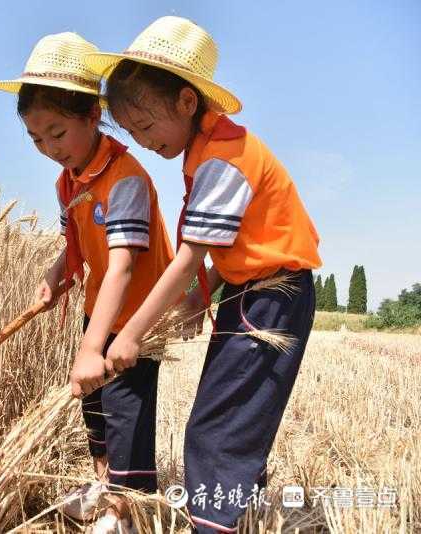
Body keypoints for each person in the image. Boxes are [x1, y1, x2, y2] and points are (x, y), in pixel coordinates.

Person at [82, 16, 322, 532]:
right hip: (248, 292)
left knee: (217, 430)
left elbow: (190, 256)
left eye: (146, 126)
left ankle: (215, 523)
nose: (142, 141)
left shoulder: (222, 158)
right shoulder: (208, 150)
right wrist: (203, 295)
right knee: (230, 419)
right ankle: (235, 517)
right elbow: (228, 247)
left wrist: (132, 334)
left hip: (271, 299)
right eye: (131, 132)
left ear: (187, 103)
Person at [0, 32, 174, 533]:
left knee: (125, 413)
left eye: (57, 132)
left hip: (136, 318)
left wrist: (93, 347)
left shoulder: (126, 178)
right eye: (36, 139)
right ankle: (101, 488)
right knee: (96, 412)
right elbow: (78, 245)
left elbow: (123, 265)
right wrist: (58, 272)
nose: (49, 148)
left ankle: (125, 512)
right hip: (100, 308)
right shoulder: (68, 181)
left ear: (92, 115)